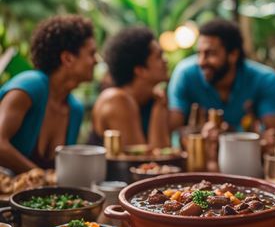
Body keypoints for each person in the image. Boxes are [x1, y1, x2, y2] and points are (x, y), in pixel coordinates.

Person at [0, 15, 96, 174]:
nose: (96, 60)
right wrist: (41, 177)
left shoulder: (75, 110)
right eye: (91, 53)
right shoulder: (30, 86)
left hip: (35, 197)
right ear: (68, 58)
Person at [167, 19, 275, 136]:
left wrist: (229, 134)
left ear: (233, 55)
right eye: (199, 53)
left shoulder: (265, 80)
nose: (201, 62)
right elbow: (174, 131)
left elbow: (272, 135)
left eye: (211, 54)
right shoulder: (185, 74)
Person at [89, 26, 170, 148]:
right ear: (140, 70)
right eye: (159, 57)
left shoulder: (154, 99)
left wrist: (159, 108)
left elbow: (164, 154)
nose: (166, 61)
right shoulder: (117, 99)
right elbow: (141, 160)